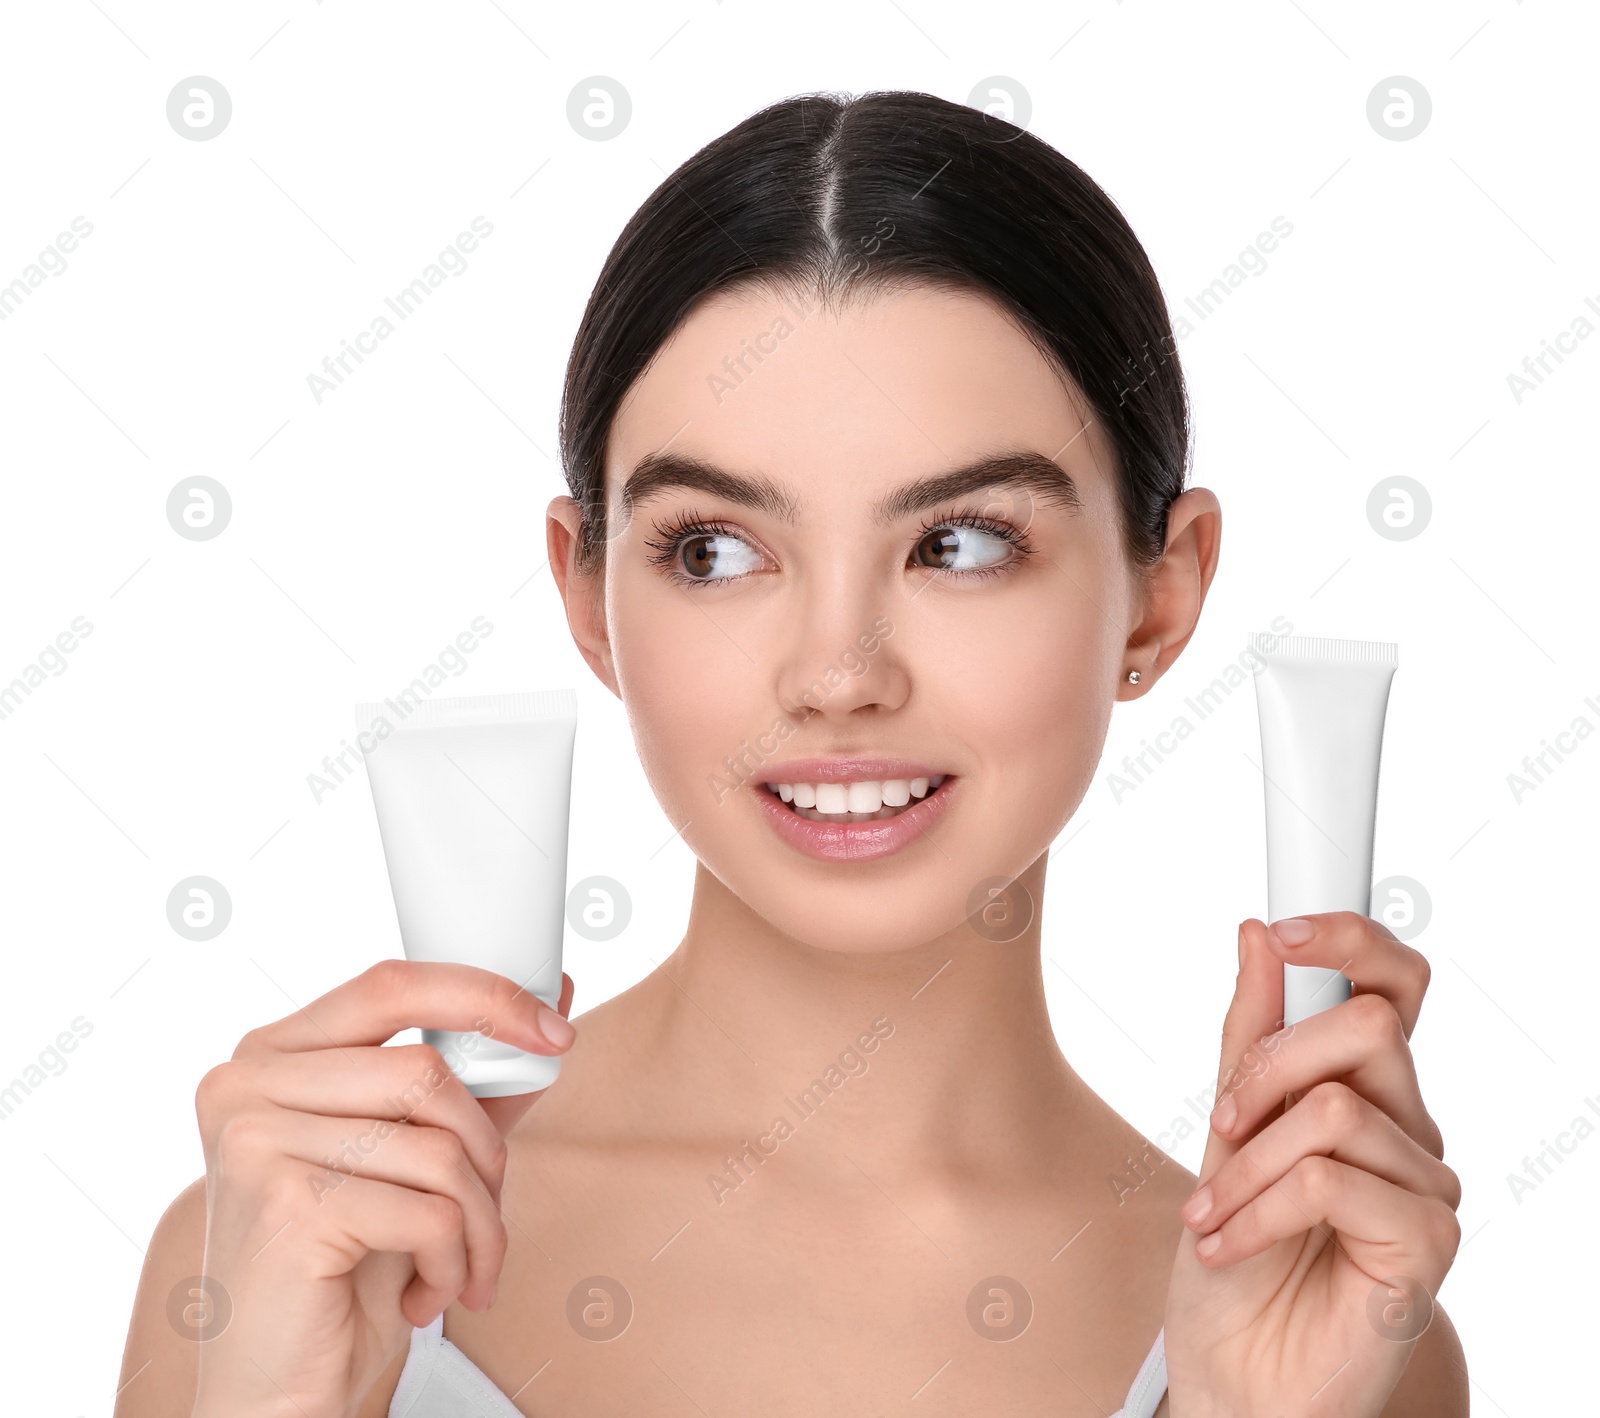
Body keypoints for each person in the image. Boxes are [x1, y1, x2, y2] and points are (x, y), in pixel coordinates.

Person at [116, 89, 1466, 1417]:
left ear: (1162, 596)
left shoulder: (1334, 1315)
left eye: (963, 543)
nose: (838, 675)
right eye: (715, 549)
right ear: (589, 598)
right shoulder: (297, 1252)